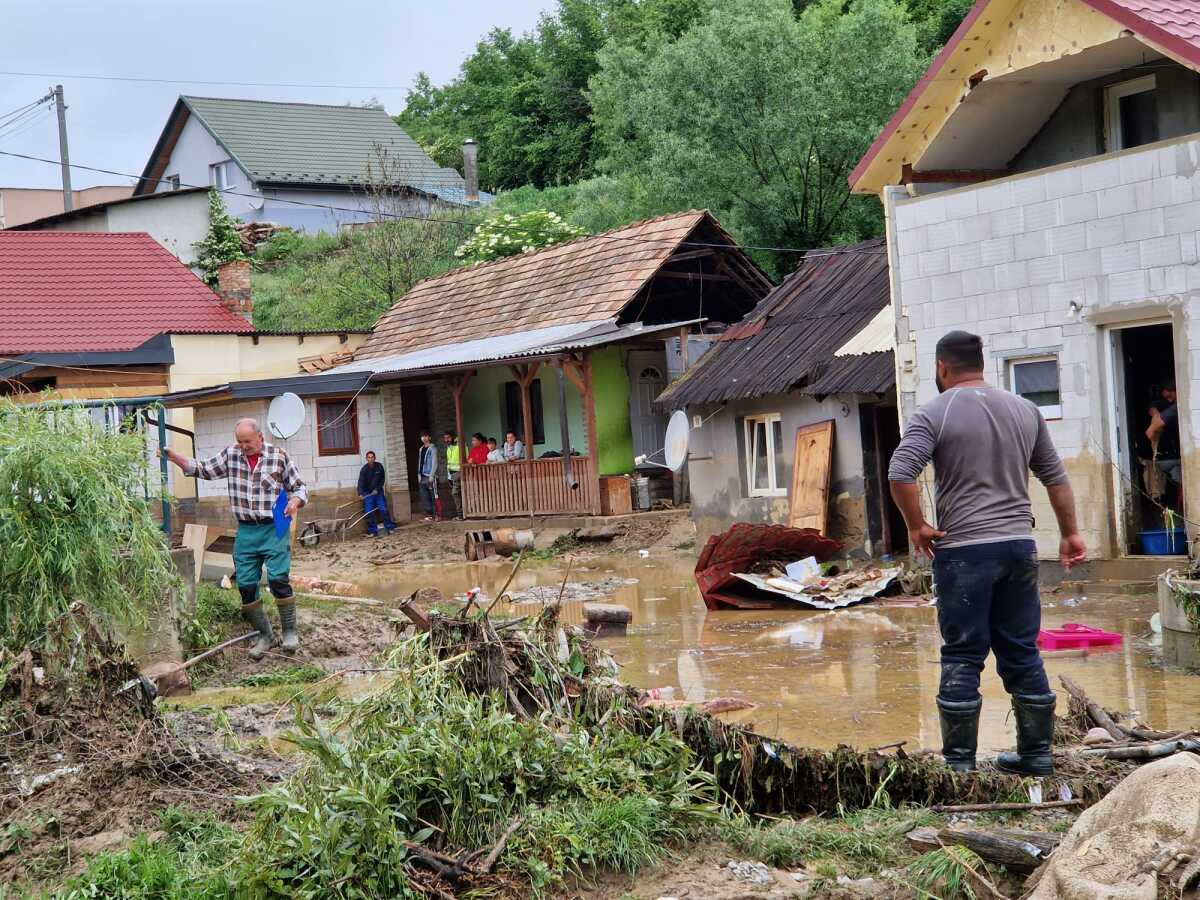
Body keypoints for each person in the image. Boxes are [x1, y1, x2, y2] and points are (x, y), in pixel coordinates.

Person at [887, 331, 1086, 777]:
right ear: (982, 364)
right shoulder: (1025, 409)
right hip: (1019, 546)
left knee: (962, 655)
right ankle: (1036, 757)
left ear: (942, 367)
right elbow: (1056, 478)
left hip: (964, 552)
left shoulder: (934, 412)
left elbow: (901, 472)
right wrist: (1071, 534)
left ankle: (959, 767)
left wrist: (916, 526)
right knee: (1021, 650)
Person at [164, 418, 307, 660]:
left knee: (278, 579)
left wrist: (295, 501)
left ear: (260, 438)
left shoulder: (279, 456)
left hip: (274, 526)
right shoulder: (232, 454)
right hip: (247, 530)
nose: (244, 446)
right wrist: (176, 457)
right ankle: (265, 635)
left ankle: (290, 632)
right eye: (239, 442)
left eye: (248, 442)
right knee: (247, 586)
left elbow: (300, 487)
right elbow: (204, 469)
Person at [1146, 381, 1182, 498]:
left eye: (1171, 396)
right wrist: (1155, 412)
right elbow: (1152, 406)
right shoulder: (1168, 403)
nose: (1169, 400)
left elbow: (1170, 413)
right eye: (1166, 398)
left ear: (1177, 390)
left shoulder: (1180, 402)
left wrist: (1153, 427)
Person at [357, 451, 396, 537]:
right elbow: (360, 482)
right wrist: (360, 493)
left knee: (383, 509)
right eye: (369, 457)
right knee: (368, 512)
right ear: (366, 459)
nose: (371, 459)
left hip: (378, 493)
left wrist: (377, 489)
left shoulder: (379, 467)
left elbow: (382, 480)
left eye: (372, 457)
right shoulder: (364, 469)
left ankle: (389, 527)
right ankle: (373, 531)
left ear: (375, 458)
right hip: (368, 494)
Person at [416, 431, 437, 522]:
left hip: (429, 475)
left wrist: (432, 475)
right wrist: (418, 474)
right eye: (422, 436)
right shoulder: (421, 449)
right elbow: (420, 462)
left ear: (429, 437)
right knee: (425, 496)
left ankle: (436, 514)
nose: (423, 438)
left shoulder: (432, 448)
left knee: (433, 495)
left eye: (425, 436)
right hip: (423, 476)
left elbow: (434, 462)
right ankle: (429, 514)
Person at [441, 431, 461, 519]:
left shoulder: (459, 445)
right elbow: (449, 463)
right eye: (445, 438)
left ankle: (461, 514)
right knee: (457, 494)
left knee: (455, 493)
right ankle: (460, 513)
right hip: (452, 474)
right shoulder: (449, 448)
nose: (446, 440)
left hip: (459, 473)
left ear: (453, 437)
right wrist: (449, 476)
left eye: (448, 438)